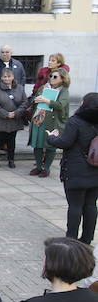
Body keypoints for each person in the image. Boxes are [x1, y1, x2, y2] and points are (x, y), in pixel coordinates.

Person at [46, 92, 98, 244]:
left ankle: (71, 239)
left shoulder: (76, 121)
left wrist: (51, 137)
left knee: (75, 206)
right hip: (95, 171)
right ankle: (87, 239)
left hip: (76, 171)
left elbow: (65, 142)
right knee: (90, 205)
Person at [29, 68, 70, 178]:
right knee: (37, 143)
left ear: (62, 79)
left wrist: (47, 101)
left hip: (53, 121)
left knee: (50, 145)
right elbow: (34, 98)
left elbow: (61, 105)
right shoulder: (44, 87)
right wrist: (36, 99)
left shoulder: (64, 91)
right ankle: (38, 166)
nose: (51, 78)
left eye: (55, 77)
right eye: (51, 76)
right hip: (39, 119)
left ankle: (46, 168)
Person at [0, 68, 29, 168]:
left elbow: (24, 102)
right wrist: (6, 114)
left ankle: (11, 159)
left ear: (13, 77)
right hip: (0, 119)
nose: (7, 79)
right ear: (1, 77)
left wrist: (16, 113)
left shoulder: (19, 88)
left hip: (14, 119)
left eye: (9, 76)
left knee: (11, 141)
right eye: (5, 77)